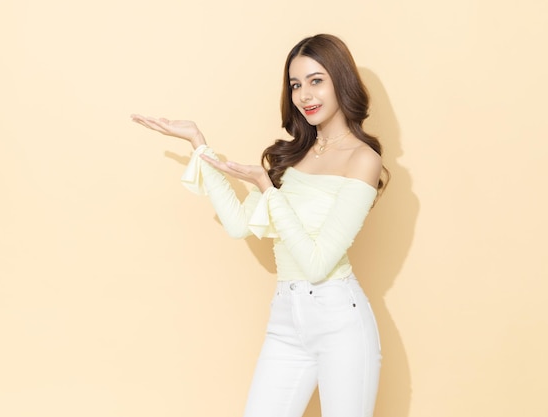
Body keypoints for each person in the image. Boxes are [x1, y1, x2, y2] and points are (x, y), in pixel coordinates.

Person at [131, 33, 388, 417]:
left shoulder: (362, 160)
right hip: (286, 319)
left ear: (341, 80)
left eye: (316, 80)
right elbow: (238, 225)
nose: (304, 95)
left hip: (340, 322)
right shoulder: (293, 155)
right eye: (296, 84)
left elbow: (317, 264)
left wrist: (268, 189)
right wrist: (199, 146)